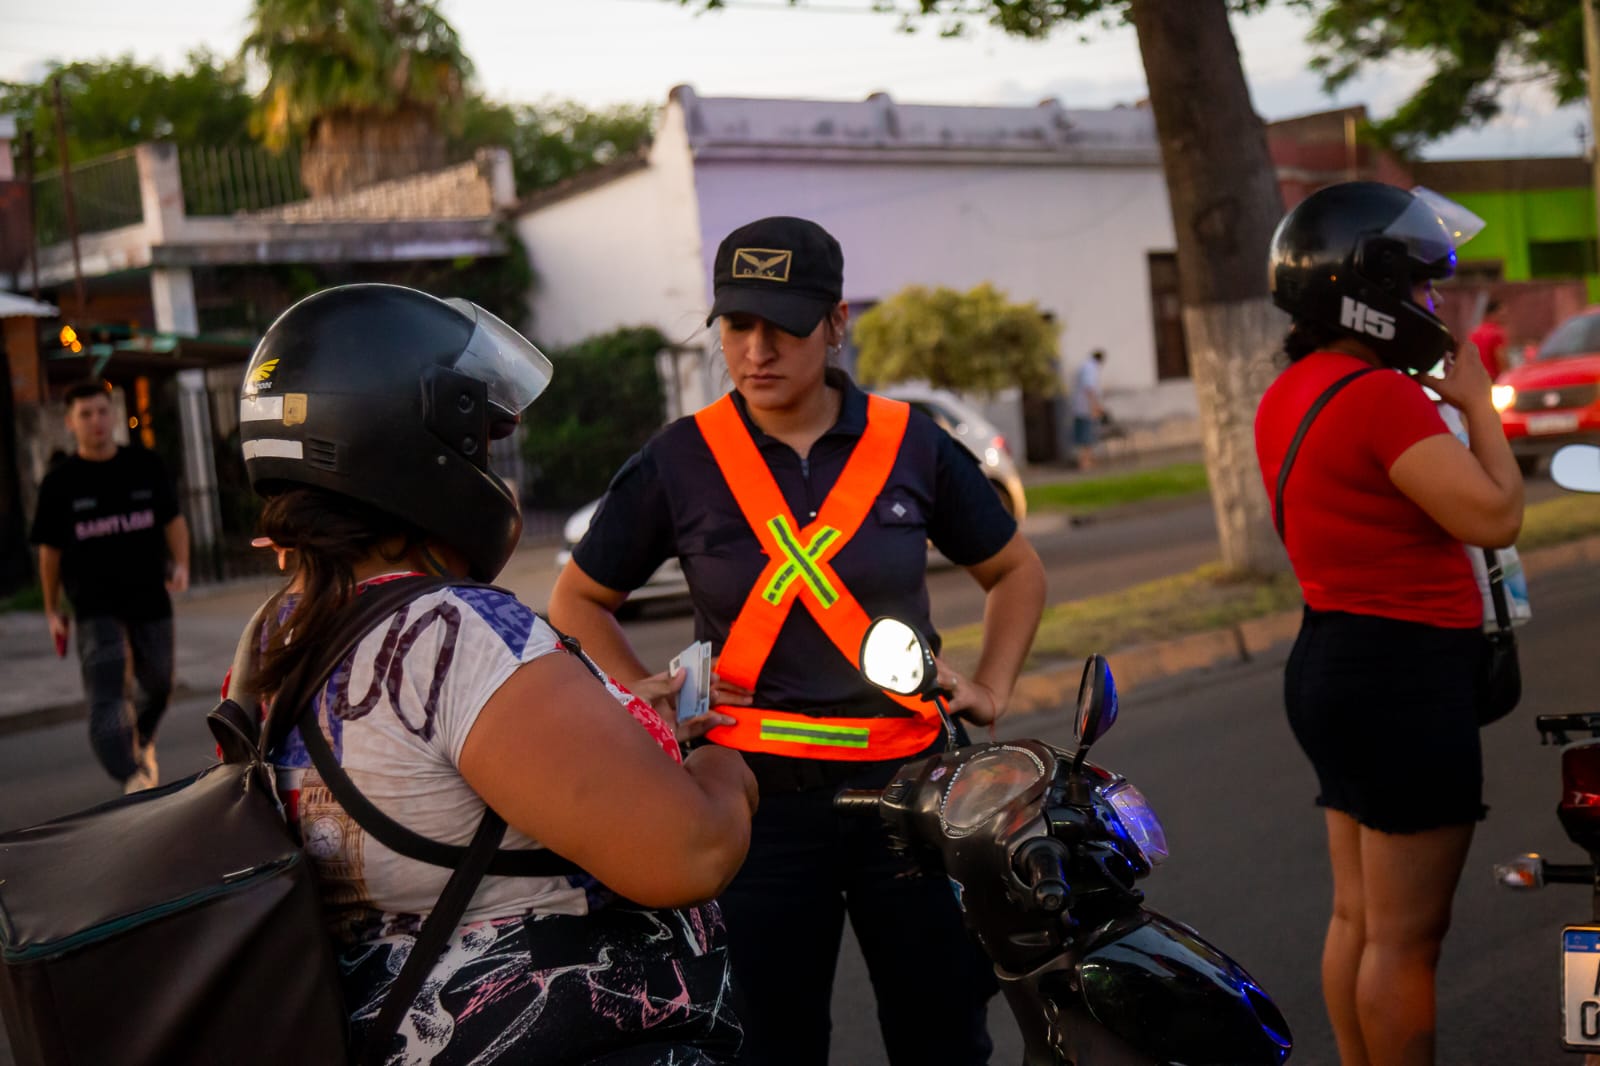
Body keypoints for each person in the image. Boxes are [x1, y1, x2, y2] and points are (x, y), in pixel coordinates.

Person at [548, 215, 1047, 1066]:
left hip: (910, 794)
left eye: (783, 325)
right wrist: (641, 694)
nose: (757, 349)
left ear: (837, 322)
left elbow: (1016, 571)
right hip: (752, 806)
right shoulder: (683, 458)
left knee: (944, 1037)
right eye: (737, 326)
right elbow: (578, 598)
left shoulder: (912, 445)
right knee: (771, 1043)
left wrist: (993, 688)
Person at [236, 284, 758, 1064]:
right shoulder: (456, 633)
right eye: (478, 440)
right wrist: (721, 766)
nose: (489, 462)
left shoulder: (277, 629)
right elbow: (691, 855)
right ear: (410, 448)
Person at [1254, 182, 1522, 1066]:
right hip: (1401, 677)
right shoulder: (1381, 400)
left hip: (1332, 659)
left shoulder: (1290, 391)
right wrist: (1479, 402)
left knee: (1359, 916)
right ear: (1364, 296)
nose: (1432, 306)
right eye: (1417, 288)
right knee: (1408, 939)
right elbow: (1494, 516)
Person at [29, 379, 189, 793]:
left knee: (159, 684)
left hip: (149, 595)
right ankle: (131, 775)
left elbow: (173, 521)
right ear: (70, 422)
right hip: (94, 606)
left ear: (114, 415)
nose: (96, 421)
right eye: (85, 414)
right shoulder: (59, 483)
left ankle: (142, 741)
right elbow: (49, 554)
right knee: (107, 695)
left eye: (102, 411)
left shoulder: (145, 465)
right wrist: (52, 610)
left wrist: (183, 565)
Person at [1071, 349, 1105, 469]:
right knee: (1086, 436)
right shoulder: (1091, 369)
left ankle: (1087, 460)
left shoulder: (1086, 366)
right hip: (1085, 408)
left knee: (1085, 436)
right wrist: (1094, 406)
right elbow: (1089, 388)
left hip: (1081, 407)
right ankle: (1084, 462)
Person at [1468, 298, 1509, 379]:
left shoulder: (1474, 333)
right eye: (1502, 315)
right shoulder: (1496, 333)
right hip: (1493, 379)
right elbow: (1501, 358)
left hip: (1477, 378)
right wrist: (1508, 376)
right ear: (1492, 314)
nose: (1504, 318)